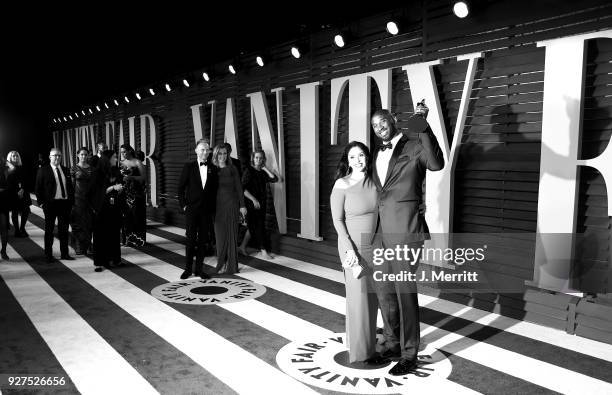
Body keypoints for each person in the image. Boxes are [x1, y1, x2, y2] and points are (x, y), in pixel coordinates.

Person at [367, 104, 444, 375]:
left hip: (406, 232)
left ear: (394, 119)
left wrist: (421, 122)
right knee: (385, 292)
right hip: (380, 233)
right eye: (375, 125)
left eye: (383, 122)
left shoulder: (414, 145)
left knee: (404, 293)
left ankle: (410, 352)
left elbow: (437, 163)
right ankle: (391, 343)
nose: (380, 128)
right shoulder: (377, 151)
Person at [330, 141, 379, 363]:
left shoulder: (376, 182)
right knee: (358, 298)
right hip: (351, 249)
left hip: (374, 247)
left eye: (361, 155)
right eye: (352, 157)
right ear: (346, 161)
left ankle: (366, 342)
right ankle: (360, 352)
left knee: (371, 297)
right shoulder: (341, 184)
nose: (357, 160)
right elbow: (337, 220)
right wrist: (349, 250)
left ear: (367, 158)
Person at [177, 139, 217, 280]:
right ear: (196, 151)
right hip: (192, 210)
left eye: (207, 150)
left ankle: (199, 270)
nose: (205, 152)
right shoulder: (189, 167)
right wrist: (184, 206)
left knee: (202, 241)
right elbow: (180, 189)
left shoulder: (213, 168)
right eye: (202, 149)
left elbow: (215, 191)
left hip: (206, 211)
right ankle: (187, 269)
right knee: (190, 240)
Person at [35, 148, 75, 263]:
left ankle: (65, 254)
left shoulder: (66, 170)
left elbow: (70, 187)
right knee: (49, 231)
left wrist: (71, 201)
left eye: (59, 155)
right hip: (50, 205)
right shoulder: (43, 170)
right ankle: (48, 255)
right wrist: (41, 203)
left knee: (64, 230)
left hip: (64, 204)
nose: (57, 157)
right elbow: (38, 188)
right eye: (55, 155)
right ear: (50, 157)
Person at [212, 144, 247, 274]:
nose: (222, 156)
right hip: (217, 207)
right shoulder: (212, 169)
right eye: (220, 154)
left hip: (232, 205)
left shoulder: (232, 169)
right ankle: (221, 263)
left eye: (224, 153)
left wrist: (242, 206)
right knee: (220, 237)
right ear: (216, 155)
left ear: (228, 154)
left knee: (232, 236)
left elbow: (239, 188)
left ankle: (231, 265)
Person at [239, 149, 278, 259]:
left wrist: (265, 168)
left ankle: (242, 246)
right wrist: (254, 200)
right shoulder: (249, 171)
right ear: (253, 158)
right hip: (251, 203)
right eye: (256, 157)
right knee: (259, 226)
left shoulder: (262, 172)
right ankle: (263, 251)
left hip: (261, 203)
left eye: (261, 158)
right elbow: (242, 189)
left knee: (253, 226)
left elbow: (274, 179)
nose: (258, 160)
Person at [90, 150, 123, 272]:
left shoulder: (116, 171)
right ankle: (99, 263)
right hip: (100, 209)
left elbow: (120, 184)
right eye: (114, 157)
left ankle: (115, 260)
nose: (116, 159)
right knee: (100, 236)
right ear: (107, 159)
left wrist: (119, 189)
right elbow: (95, 192)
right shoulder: (97, 173)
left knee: (114, 234)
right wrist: (113, 187)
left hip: (114, 208)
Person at [119, 144, 146, 247]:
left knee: (136, 216)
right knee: (124, 216)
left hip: (136, 193)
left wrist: (132, 178)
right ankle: (125, 240)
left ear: (130, 151)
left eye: (125, 152)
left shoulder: (137, 162)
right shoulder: (121, 163)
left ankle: (137, 240)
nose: (123, 154)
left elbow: (143, 177)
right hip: (124, 193)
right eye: (121, 152)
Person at [70, 147, 95, 255]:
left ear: (88, 155)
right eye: (82, 154)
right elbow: (71, 186)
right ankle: (79, 246)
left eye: (86, 154)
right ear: (78, 155)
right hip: (77, 199)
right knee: (77, 223)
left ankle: (89, 245)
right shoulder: (74, 169)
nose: (84, 157)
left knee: (90, 223)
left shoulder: (92, 168)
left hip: (90, 199)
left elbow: (95, 185)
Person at [6, 151, 32, 237]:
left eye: (17, 156)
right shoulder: (6, 169)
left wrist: (22, 189)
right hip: (12, 193)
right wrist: (16, 191)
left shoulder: (22, 168)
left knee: (26, 211)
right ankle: (17, 230)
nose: (16, 158)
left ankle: (22, 228)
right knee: (15, 212)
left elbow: (27, 180)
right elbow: (7, 182)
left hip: (23, 192)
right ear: (10, 157)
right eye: (13, 156)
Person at [0, 158, 10, 260]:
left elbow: (13, 168)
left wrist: (5, 160)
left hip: (2, 201)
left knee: (4, 227)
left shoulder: (4, 169)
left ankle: (3, 250)